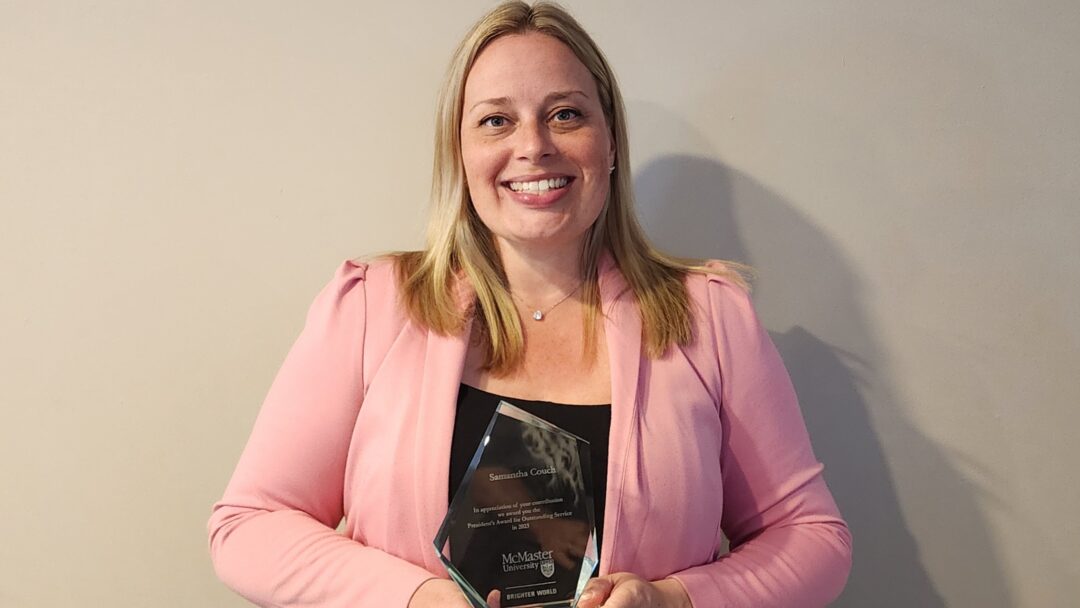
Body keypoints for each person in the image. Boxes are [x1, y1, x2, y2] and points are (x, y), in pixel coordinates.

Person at [206, 1, 853, 606]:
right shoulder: (373, 308)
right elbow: (248, 525)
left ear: (610, 141)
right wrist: (414, 599)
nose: (534, 145)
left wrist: (675, 600)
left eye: (565, 113)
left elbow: (813, 537)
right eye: (496, 120)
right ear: (459, 153)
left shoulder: (709, 318)